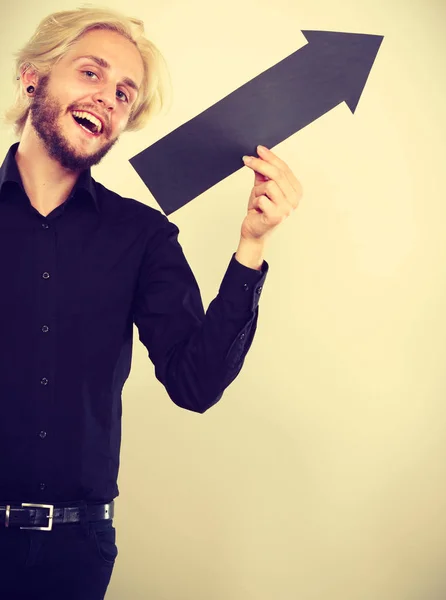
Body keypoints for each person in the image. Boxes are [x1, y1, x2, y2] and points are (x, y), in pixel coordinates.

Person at [0, 6, 302, 600]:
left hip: (75, 553)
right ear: (33, 76)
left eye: (124, 93)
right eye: (91, 73)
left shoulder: (142, 236)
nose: (108, 99)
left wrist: (251, 245)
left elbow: (196, 384)